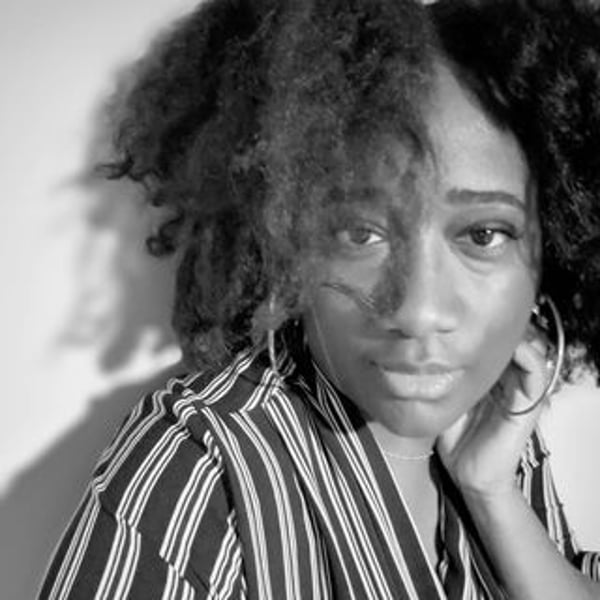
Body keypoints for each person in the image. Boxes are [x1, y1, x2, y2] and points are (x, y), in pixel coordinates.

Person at [39, 0, 600, 598]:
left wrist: (493, 493)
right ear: (288, 237)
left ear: (553, 246)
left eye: (483, 235)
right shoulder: (201, 466)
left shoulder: (498, 425)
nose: (418, 311)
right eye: (361, 233)